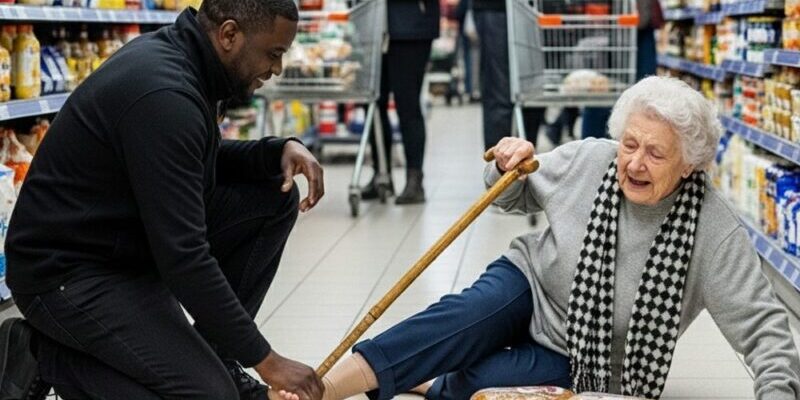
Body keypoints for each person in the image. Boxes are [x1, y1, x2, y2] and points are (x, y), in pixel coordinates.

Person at [285, 76, 800, 400]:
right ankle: (322, 387)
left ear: (690, 164)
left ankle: (428, 376)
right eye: (630, 144)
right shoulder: (592, 159)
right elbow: (515, 195)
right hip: (528, 284)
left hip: (585, 354)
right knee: (456, 321)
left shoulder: (713, 228)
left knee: (481, 382)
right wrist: (507, 164)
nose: (634, 163)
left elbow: (764, 330)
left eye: (656, 154)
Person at [0, 1, 326, 399]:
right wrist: (266, 359)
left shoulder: (186, 60)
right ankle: (43, 353)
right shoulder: (164, 93)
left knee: (273, 196)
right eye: (273, 53)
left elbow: (187, 161)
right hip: (66, 275)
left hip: (123, 248)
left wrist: (274, 151)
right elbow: (185, 256)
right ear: (228, 35)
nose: (276, 68)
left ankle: (216, 358)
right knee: (209, 395)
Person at [361, 0, 439, 205]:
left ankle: (415, 179)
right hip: (372, 24)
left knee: (408, 104)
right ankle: (381, 173)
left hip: (412, 25)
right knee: (372, 102)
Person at [582, 0, 663, 139]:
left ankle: (636, 144)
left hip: (641, 29)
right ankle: (592, 150)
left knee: (646, 94)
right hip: (610, 27)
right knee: (600, 94)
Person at [472, 0, 545, 151]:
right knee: (500, 93)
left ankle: (526, 159)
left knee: (533, 88)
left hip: (535, 8)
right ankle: (499, 165)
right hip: (496, 9)